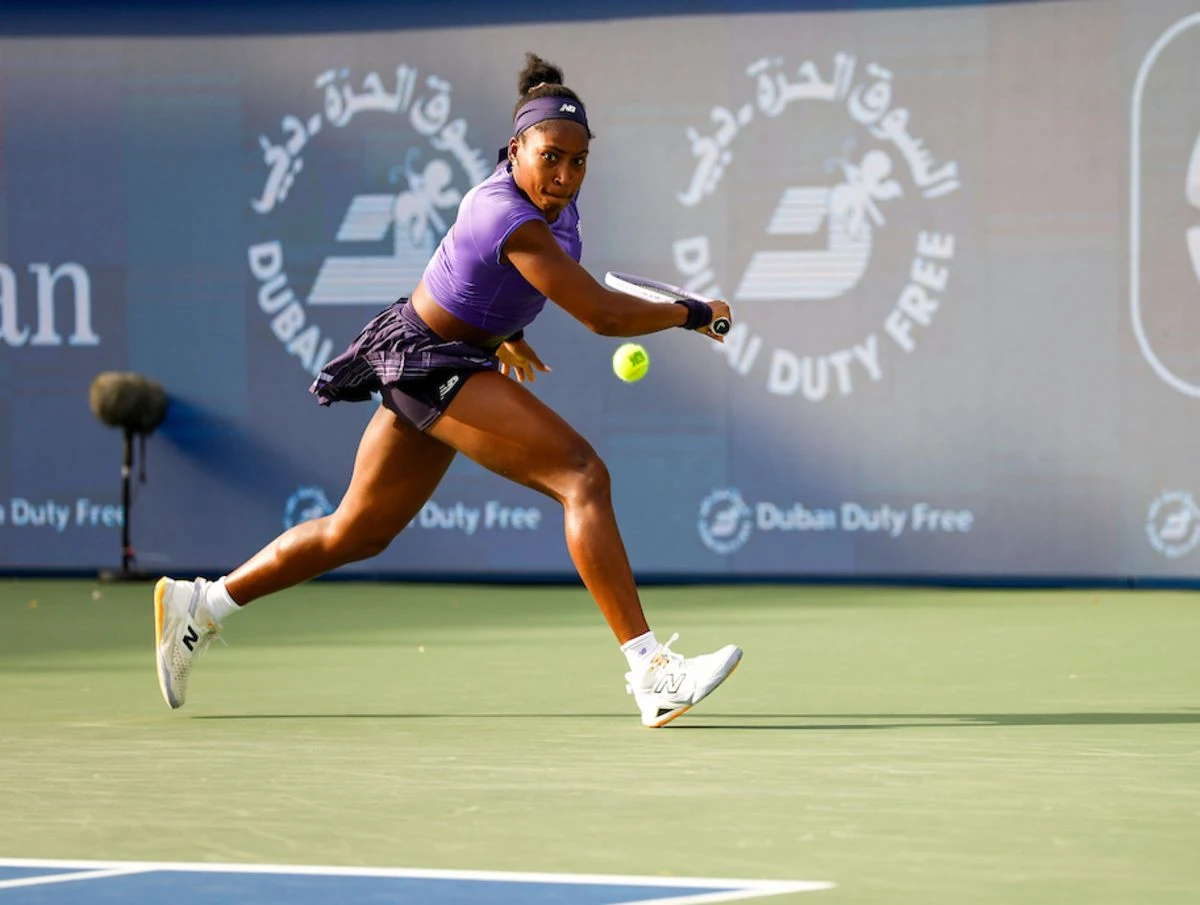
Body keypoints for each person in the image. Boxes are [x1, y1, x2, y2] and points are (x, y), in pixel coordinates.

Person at [154, 53, 741, 728]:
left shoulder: (545, 203)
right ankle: (652, 672)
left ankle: (201, 606)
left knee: (356, 530)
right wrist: (692, 313)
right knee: (582, 476)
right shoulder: (506, 214)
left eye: (579, 162)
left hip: (444, 350)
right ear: (515, 148)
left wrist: (505, 327)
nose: (565, 176)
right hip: (431, 361)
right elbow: (602, 315)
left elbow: (474, 277)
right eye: (551, 157)